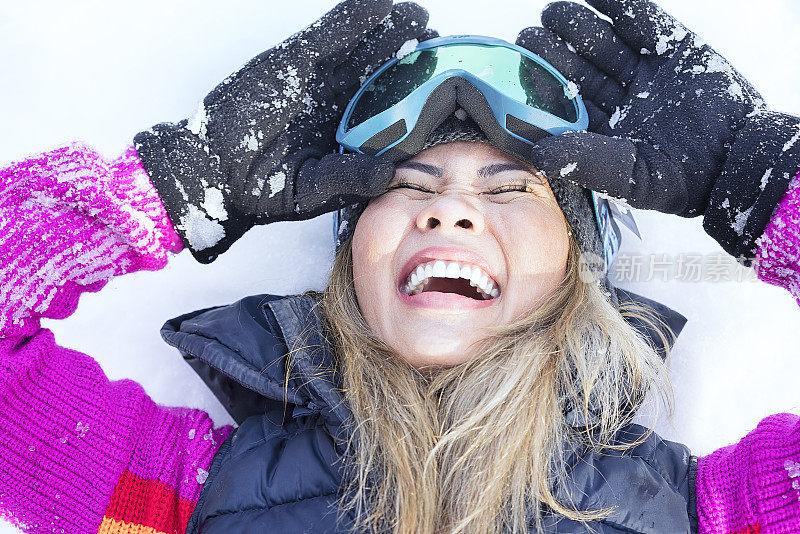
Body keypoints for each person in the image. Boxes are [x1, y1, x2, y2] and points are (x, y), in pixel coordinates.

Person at [0, 1, 798, 534]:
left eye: (511, 190)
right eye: (412, 186)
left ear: (575, 269)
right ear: (350, 263)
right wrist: (179, 184)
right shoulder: (171, 494)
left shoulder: (712, 513)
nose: (449, 212)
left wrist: (761, 182)